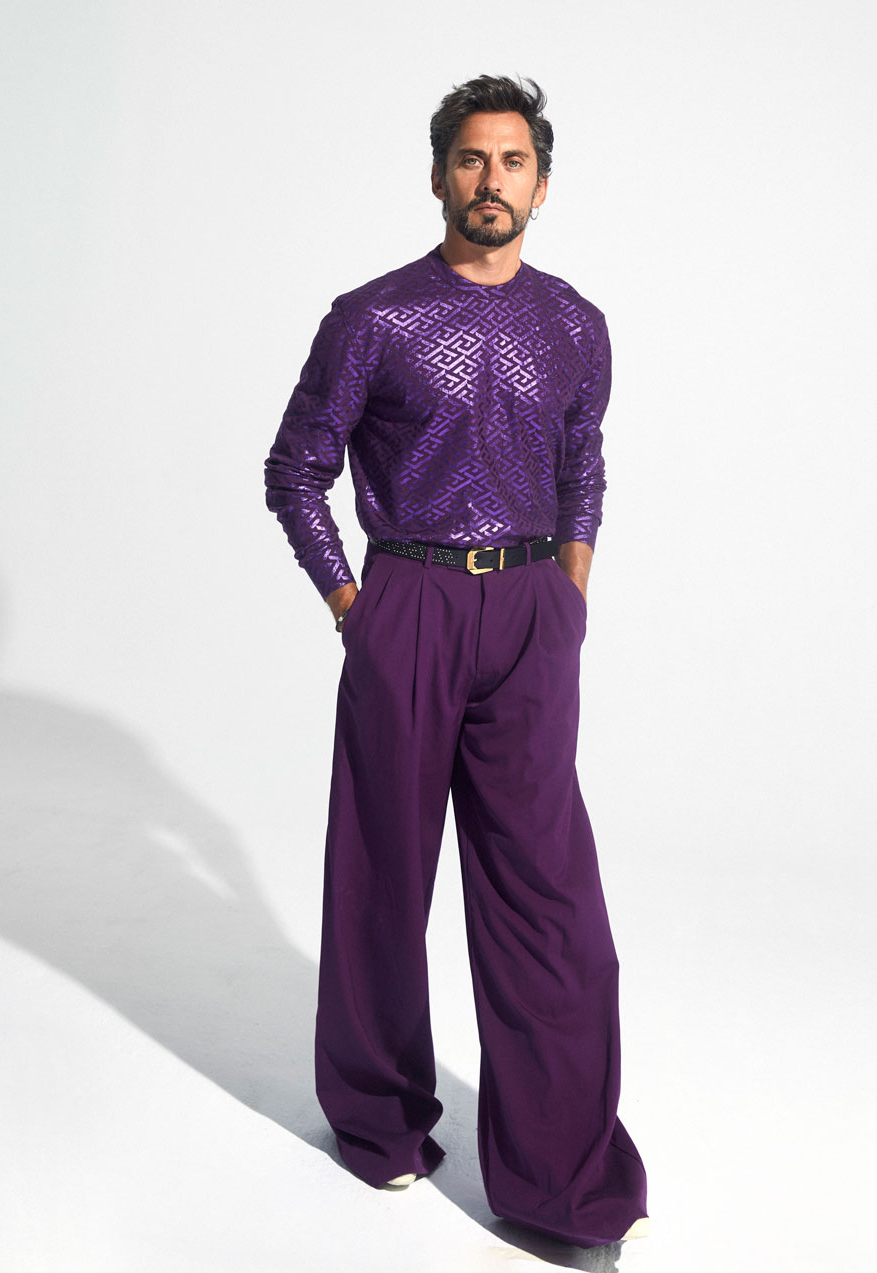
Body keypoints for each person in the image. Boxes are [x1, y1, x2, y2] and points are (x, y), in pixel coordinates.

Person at [263, 74, 649, 1249]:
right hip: (410, 598)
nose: (492, 180)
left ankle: (562, 1176)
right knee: (382, 872)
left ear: (542, 182)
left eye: (512, 160)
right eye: (471, 159)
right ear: (438, 175)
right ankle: (378, 1119)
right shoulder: (374, 317)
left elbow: (583, 463)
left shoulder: (574, 322)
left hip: (531, 607)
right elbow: (295, 468)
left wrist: (568, 592)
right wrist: (354, 603)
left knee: (547, 896)